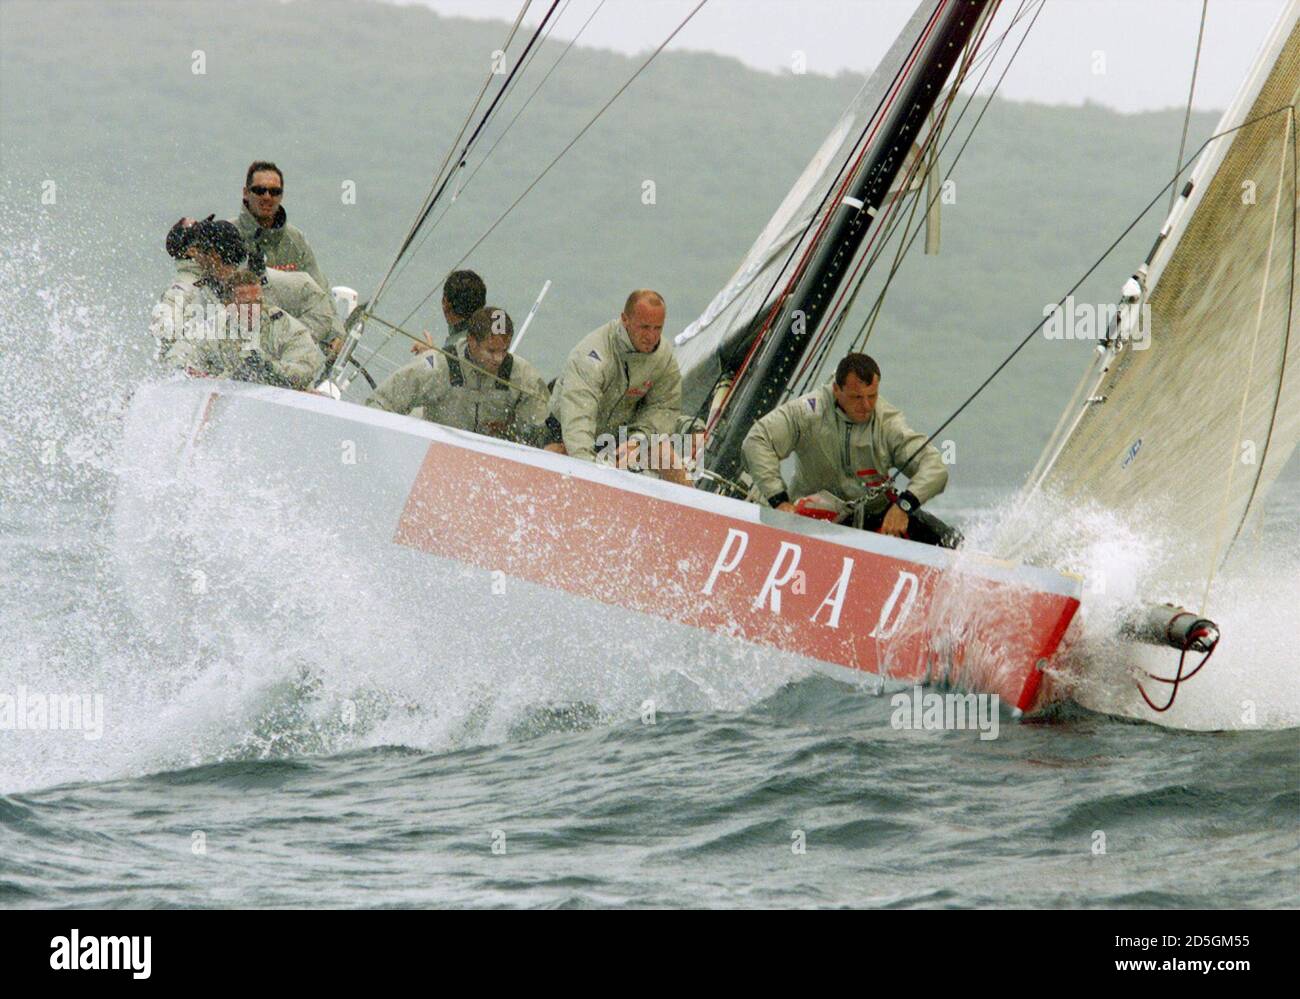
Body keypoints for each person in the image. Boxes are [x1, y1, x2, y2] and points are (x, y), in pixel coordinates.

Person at [741, 352, 960, 547]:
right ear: (836, 390)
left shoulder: (887, 423)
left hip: (873, 515)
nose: (866, 406)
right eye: (857, 397)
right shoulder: (809, 412)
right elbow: (757, 440)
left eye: (872, 396)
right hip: (811, 517)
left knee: (952, 541)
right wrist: (779, 501)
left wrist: (904, 506)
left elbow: (935, 467)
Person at [366, 306, 551, 445]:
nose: (498, 359)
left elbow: (542, 433)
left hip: (493, 463)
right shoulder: (437, 365)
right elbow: (381, 403)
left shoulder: (524, 376)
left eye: (504, 351)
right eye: (491, 350)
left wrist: (511, 429)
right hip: (437, 454)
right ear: (471, 341)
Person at [544, 289, 682, 466]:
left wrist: (638, 440)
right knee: (556, 453)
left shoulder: (664, 357)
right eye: (644, 327)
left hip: (620, 434)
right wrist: (589, 468)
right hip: (567, 429)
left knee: (667, 456)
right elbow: (578, 421)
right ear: (625, 320)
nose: (651, 336)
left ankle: (695, 495)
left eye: (658, 328)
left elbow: (664, 407)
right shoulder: (591, 355)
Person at [163, 269, 324, 390]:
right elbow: (179, 354)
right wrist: (191, 372)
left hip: (281, 403)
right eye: (247, 304)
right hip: (234, 401)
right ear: (228, 305)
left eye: (258, 302)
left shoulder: (287, 327)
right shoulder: (215, 326)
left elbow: (305, 371)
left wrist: (269, 367)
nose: (255, 309)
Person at [232, 161, 329, 292]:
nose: (267, 197)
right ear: (246, 193)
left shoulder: (296, 240)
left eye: (274, 191)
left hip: (289, 313)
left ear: (281, 196)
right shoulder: (226, 235)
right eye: (260, 190)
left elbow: (320, 294)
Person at [410, 270, 488, 354]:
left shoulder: (459, 347)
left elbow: (453, 363)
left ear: (446, 303)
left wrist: (431, 355)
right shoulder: (492, 336)